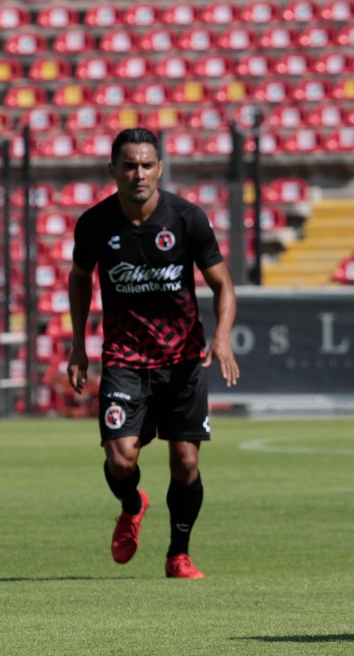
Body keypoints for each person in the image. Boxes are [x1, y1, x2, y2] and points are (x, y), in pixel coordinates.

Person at [67, 127, 240, 579]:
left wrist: (221, 337)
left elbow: (223, 285)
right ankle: (132, 503)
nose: (138, 173)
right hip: (124, 359)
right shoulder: (94, 224)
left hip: (182, 360)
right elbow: (80, 277)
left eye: (146, 164)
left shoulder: (187, 219)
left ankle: (178, 554)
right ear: (113, 171)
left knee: (185, 462)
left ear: (159, 168)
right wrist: (77, 345)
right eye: (129, 165)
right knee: (120, 459)